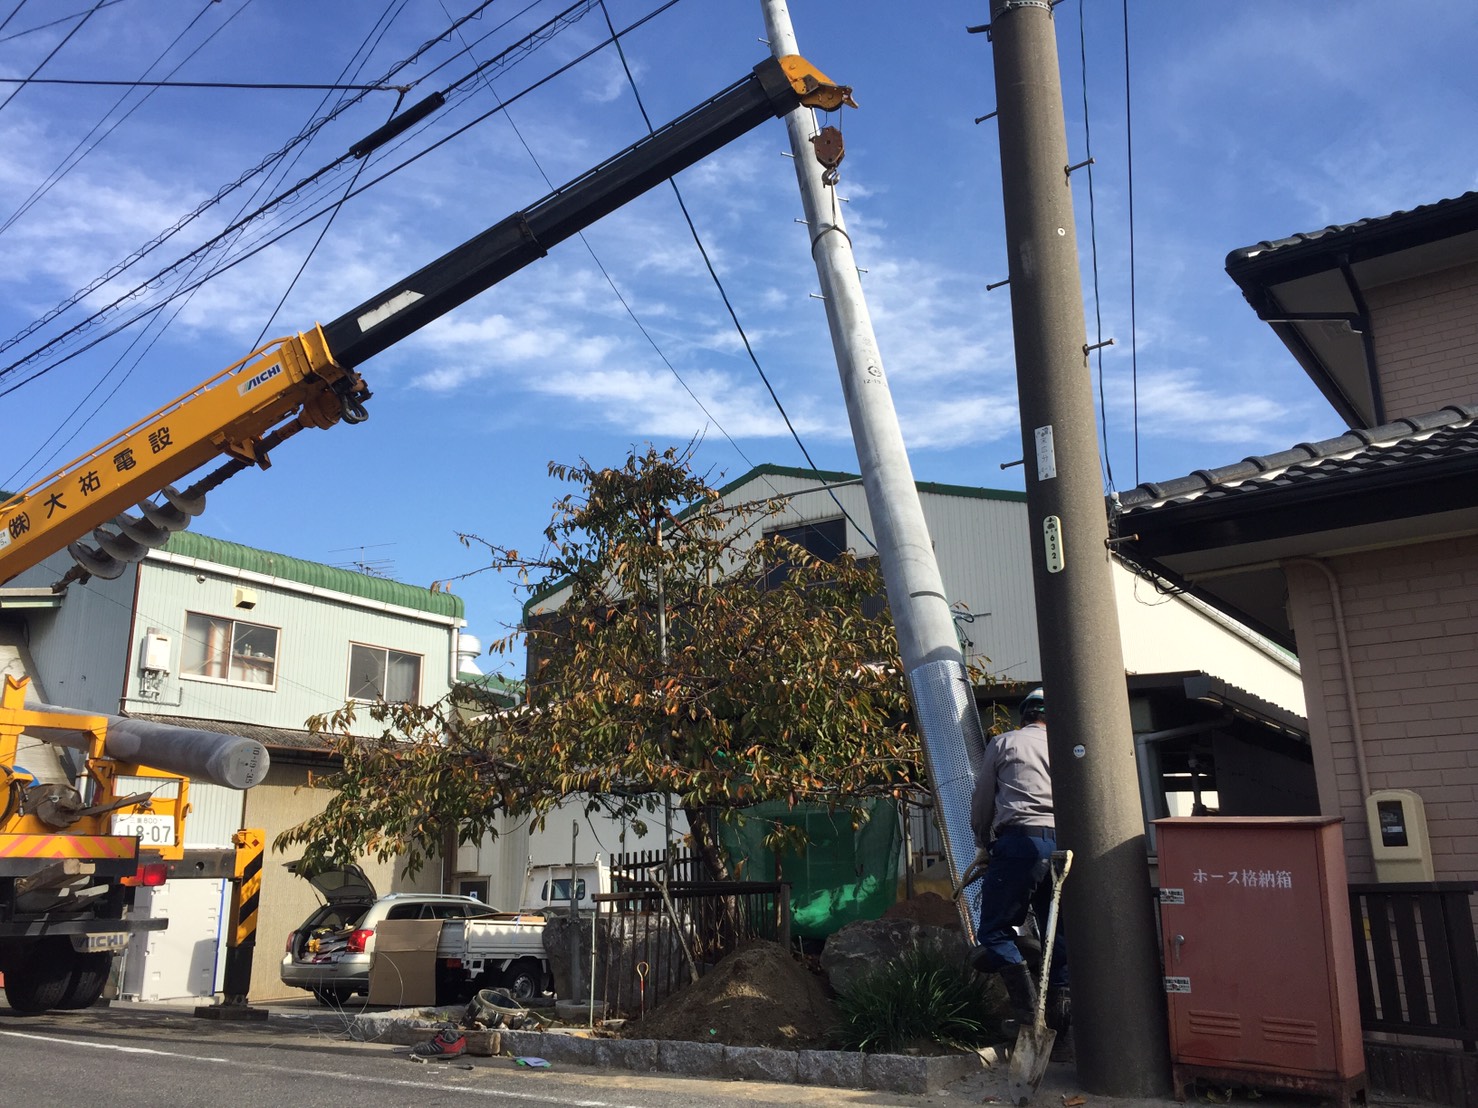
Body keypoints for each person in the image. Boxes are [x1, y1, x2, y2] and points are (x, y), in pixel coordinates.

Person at [968, 687, 1069, 1031]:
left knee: (994, 931)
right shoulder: (1065, 746)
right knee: (1057, 933)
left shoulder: (1005, 742)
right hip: (1063, 848)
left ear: (1023, 716)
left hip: (1019, 843)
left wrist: (983, 841)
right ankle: (1061, 1030)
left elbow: (982, 800)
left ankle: (1030, 1017)